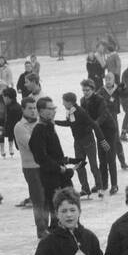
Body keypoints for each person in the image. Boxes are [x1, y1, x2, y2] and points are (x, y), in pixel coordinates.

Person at [29, 97, 75, 230]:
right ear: (41, 111)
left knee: (67, 209)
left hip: (60, 176)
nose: (53, 111)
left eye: (54, 109)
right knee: (57, 213)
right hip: (51, 178)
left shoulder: (49, 126)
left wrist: (66, 165)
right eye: (50, 109)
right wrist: (60, 168)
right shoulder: (39, 130)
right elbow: (41, 157)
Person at [56, 92, 107, 197]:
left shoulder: (80, 112)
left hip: (88, 141)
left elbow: (94, 124)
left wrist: (102, 139)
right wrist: (55, 122)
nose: (62, 104)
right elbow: (70, 123)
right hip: (78, 142)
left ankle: (100, 188)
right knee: (79, 165)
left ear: (69, 102)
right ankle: (85, 189)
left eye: (64, 102)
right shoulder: (70, 111)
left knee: (93, 166)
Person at [11, 94, 47, 237]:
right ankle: (41, 229)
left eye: (35, 108)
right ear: (23, 110)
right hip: (31, 168)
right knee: (38, 200)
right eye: (30, 108)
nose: (33, 111)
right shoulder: (19, 127)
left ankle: (48, 226)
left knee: (46, 199)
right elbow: (34, 145)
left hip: (44, 166)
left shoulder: (39, 123)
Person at [81, 79, 121, 194]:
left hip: (108, 130)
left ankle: (114, 185)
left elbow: (103, 115)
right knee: (102, 158)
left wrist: (93, 125)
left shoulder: (100, 99)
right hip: (99, 132)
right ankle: (104, 183)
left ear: (93, 90)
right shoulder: (83, 100)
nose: (85, 92)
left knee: (110, 157)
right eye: (83, 90)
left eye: (87, 90)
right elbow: (83, 115)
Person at [99, 72, 128, 171]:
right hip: (104, 118)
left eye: (110, 79)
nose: (107, 81)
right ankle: (106, 163)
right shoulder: (102, 90)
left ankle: (123, 162)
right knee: (106, 141)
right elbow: (96, 99)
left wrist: (124, 87)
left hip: (113, 117)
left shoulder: (117, 89)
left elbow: (125, 93)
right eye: (106, 80)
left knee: (116, 140)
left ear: (113, 80)